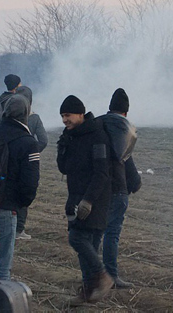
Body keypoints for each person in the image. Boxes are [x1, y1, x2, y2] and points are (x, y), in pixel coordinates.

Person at [57, 94, 114, 304]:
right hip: (75, 197)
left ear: (81, 114)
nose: (65, 119)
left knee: (77, 239)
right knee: (87, 247)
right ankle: (89, 292)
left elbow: (102, 173)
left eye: (68, 115)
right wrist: (62, 145)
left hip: (95, 199)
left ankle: (102, 276)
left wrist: (88, 201)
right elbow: (63, 167)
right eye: (62, 116)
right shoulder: (71, 136)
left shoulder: (97, 136)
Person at [0, 93, 40, 281]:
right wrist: (19, 205)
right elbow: (30, 184)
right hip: (6, 208)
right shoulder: (29, 142)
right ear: (26, 114)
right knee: (2, 267)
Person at [99, 88, 141, 289]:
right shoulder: (124, 129)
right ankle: (111, 275)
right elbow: (126, 159)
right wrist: (135, 183)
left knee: (95, 232)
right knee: (112, 233)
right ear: (125, 112)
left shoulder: (97, 125)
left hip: (96, 189)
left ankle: (92, 274)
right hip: (117, 189)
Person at [13, 86, 47, 240]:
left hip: (8, 160)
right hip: (26, 162)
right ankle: (19, 230)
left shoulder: (8, 115)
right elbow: (43, 141)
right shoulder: (35, 118)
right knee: (24, 191)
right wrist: (33, 151)